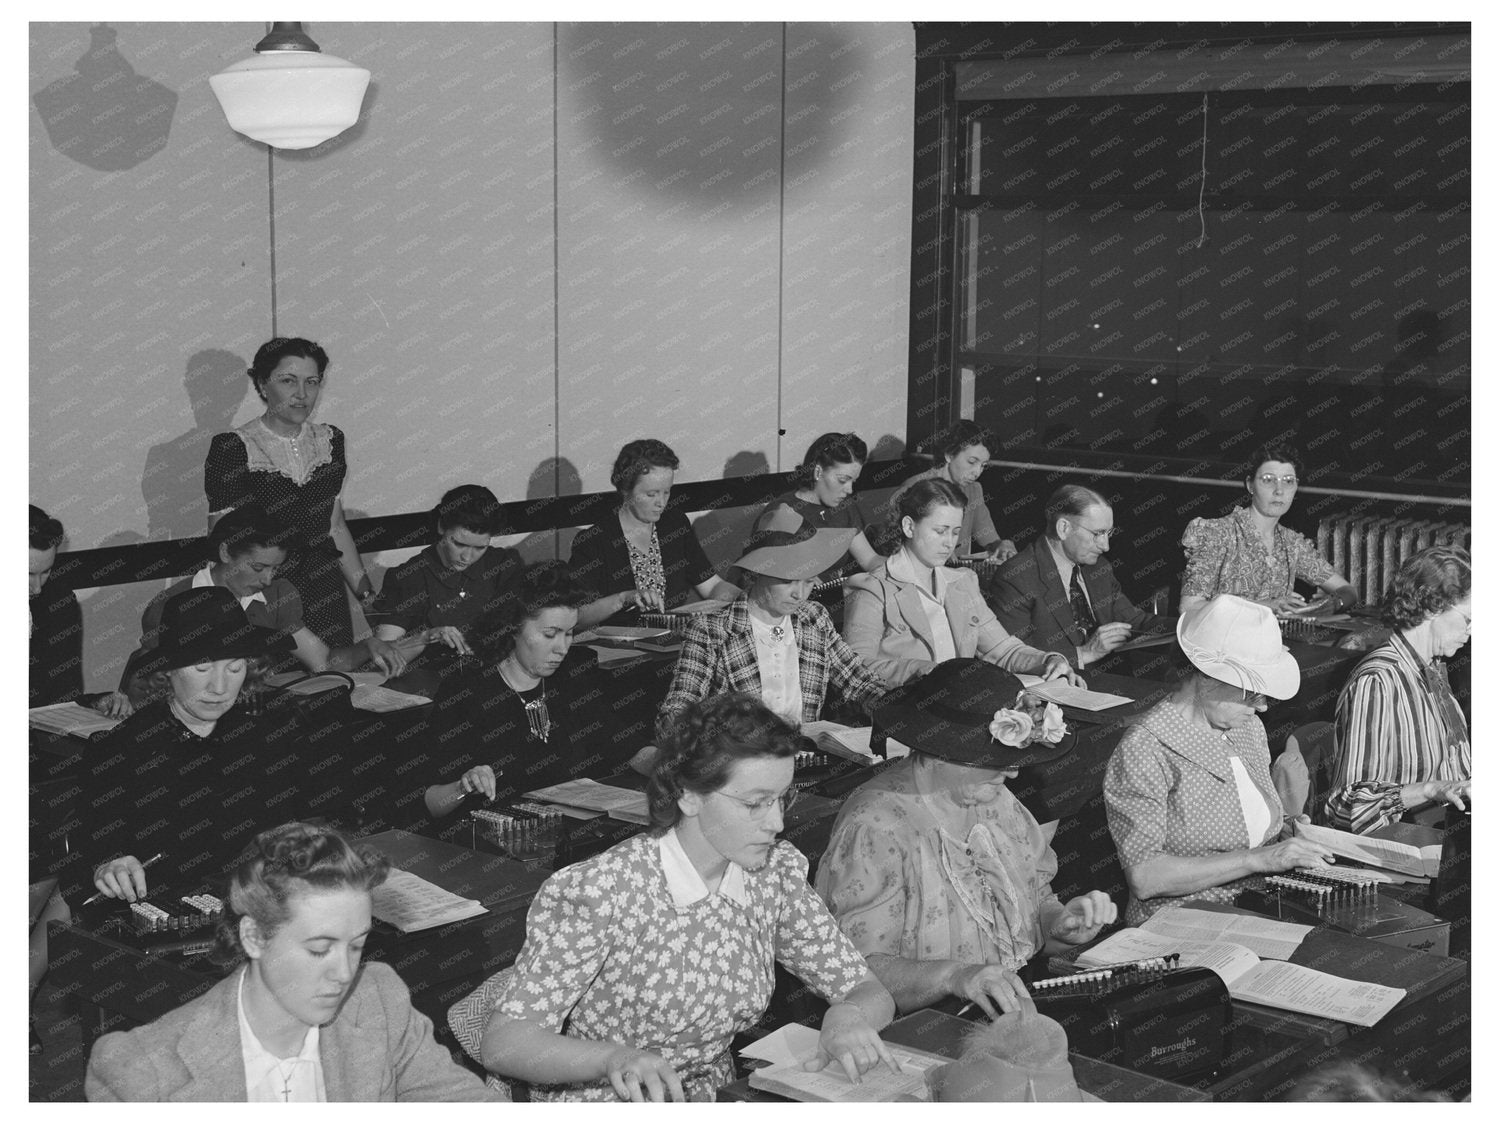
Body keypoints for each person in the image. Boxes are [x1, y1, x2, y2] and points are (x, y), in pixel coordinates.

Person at [481, 693, 898, 1101]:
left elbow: (869, 990)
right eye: (756, 803)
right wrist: (612, 1058)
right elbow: (505, 1043)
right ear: (690, 795)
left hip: (711, 1094)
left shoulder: (772, 874)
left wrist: (849, 1014)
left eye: (782, 798)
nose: (777, 822)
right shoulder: (605, 889)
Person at [85, 821, 500, 1101]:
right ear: (254, 936)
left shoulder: (378, 998)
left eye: (356, 946)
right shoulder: (141, 1072)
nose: (344, 974)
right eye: (319, 949)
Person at [817, 659, 1115, 1019]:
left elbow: (1035, 908)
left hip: (1016, 1009)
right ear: (940, 751)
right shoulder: (876, 826)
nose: (1012, 770)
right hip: (927, 1030)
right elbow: (853, 973)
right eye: (991, 758)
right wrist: (955, 977)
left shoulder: (997, 799)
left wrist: (1061, 924)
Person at [1104, 595, 1335, 925]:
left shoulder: (1247, 728)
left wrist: (1289, 832)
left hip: (1260, 909)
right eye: (1250, 691)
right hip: (1178, 927)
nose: (1264, 706)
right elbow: (1145, 877)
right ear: (1204, 677)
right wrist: (1257, 859)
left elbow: (1249, 820)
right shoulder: (1146, 748)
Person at [73, 586, 298, 906]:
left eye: (234, 667)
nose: (219, 687)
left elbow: (281, 830)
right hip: (155, 912)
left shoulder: (264, 737)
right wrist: (109, 864)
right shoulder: (119, 750)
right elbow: (90, 852)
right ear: (168, 671)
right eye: (202, 669)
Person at [119, 504, 410, 704]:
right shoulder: (171, 606)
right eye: (258, 568)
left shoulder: (277, 595)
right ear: (225, 553)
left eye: (275, 568)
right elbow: (143, 689)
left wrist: (368, 646)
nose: (269, 579)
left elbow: (323, 662)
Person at [656, 504, 887, 740]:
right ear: (756, 573)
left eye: (808, 582)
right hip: (741, 763)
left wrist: (899, 709)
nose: (800, 594)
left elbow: (858, 682)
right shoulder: (710, 631)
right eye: (788, 582)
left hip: (804, 757)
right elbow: (675, 716)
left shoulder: (813, 618)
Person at [205, 337, 374, 648]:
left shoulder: (330, 441)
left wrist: (366, 595)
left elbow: (334, 525)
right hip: (265, 590)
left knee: (332, 679)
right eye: (288, 381)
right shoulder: (234, 447)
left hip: (324, 587)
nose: (302, 394)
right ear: (262, 384)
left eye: (312, 382)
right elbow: (222, 539)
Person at [843, 479, 1082, 688]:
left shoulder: (962, 582)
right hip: (902, 713)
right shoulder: (872, 588)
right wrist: (925, 671)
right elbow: (856, 668)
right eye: (940, 531)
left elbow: (1002, 649)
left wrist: (1049, 660)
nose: (949, 543)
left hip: (957, 707)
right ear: (908, 526)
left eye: (955, 532)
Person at [419, 561, 598, 821]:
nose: (562, 648)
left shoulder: (572, 678)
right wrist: (463, 786)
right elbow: (429, 801)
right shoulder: (467, 693)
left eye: (569, 634)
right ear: (513, 628)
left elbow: (619, 744)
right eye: (550, 634)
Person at [1325, 545, 1471, 834]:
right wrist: (1430, 790)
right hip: (1402, 846)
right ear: (1431, 607)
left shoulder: (1433, 669)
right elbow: (1349, 807)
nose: (1472, 631)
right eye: (1468, 619)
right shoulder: (1378, 681)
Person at [990, 484, 1172, 671]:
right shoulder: (1016, 577)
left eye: (1109, 533)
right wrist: (1084, 653)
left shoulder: (1098, 568)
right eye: (1098, 533)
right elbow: (1015, 659)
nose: (1105, 546)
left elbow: (1134, 622)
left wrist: (1190, 624)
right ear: (1063, 528)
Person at [569, 439, 740, 628]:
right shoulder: (594, 541)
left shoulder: (674, 524)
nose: (661, 502)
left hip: (672, 643)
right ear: (626, 491)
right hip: (622, 650)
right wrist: (624, 598)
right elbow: (578, 615)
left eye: (666, 492)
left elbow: (712, 586)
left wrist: (744, 598)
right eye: (651, 494)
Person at [1179, 441, 1356, 616]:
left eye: (1288, 481)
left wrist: (1333, 603)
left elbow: (1348, 590)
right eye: (1268, 480)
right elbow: (1189, 607)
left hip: (1274, 642)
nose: (1279, 490)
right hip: (1219, 642)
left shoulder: (1291, 543)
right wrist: (1264, 606)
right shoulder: (1216, 533)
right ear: (1250, 485)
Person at [370, 484, 521, 678]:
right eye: (459, 544)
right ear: (441, 526)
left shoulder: (503, 565)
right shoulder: (409, 577)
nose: (467, 557)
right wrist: (426, 637)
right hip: (434, 685)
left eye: (480, 548)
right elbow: (383, 659)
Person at [29, 504, 131, 715]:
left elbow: (62, 697)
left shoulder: (58, 602)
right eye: (27, 574)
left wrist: (98, 702)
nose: (37, 588)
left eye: (46, 572)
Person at [753, 432, 882, 580]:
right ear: (818, 472)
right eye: (842, 480)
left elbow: (870, 560)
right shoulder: (781, 512)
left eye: (853, 481)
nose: (849, 490)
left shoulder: (845, 508)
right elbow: (765, 577)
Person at [886, 420, 1016, 561]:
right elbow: (895, 548)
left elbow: (989, 538)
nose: (977, 472)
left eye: (983, 465)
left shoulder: (973, 491)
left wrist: (1002, 545)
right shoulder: (913, 489)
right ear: (949, 455)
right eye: (972, 462)